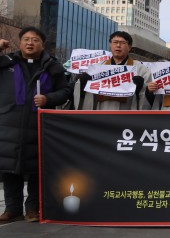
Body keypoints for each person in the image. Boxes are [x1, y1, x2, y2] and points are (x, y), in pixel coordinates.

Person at [0, 27, 71, 223]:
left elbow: (66, 90)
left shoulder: (53, 67)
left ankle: (33, 208)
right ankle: (12, 209)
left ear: (43, 44)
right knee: (9, 169)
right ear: (20, 42)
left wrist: (48, 98)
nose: (30, 43)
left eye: (35, 40)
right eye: (26, 39)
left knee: (37, 169)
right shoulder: (6, 63)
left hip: (39, 124)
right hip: (9, 124)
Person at [73, 31, 151, 111]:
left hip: (127, 113)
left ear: (129, 47)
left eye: (123, 43)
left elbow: (150, 94)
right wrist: (81, 82)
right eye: (115, 42)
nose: (118, 45)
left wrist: (141, 87)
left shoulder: (141, 69)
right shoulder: (97, 68)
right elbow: (86, 95)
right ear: (110, 45)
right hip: (102, 111)